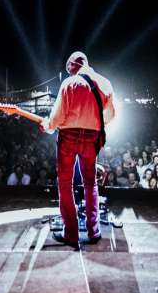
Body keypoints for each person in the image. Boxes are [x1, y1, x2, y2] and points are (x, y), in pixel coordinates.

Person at [40, 51, 115, 248]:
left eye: (68, 67)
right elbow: (111, 115)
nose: (68, 71)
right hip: (92, 137)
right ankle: (94, 230)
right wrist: (94, 125)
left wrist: (47, 126)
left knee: (65, 183)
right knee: (91, 183)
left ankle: (71, 233)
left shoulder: (69, 83)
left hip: (69, 136)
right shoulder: (105, 83)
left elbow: (56, 119)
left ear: (74, 64)